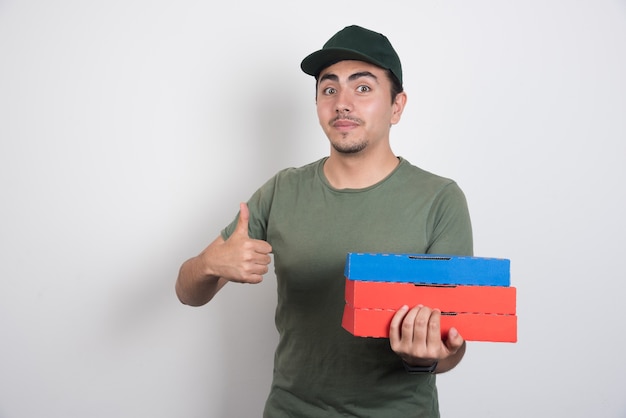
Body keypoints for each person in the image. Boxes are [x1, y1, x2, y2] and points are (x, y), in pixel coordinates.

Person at [176, 24, 473, 418]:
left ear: (397, 107)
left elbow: (455, 344)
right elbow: (187, 290)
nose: (342, 103)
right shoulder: (281, 190)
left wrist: (424, 356)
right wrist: (211, 265)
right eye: (329, 89)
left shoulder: (440, 199)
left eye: (363, 88)